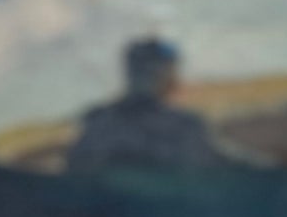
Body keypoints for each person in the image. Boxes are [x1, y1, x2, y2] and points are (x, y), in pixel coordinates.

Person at [68, 37, 227, 172]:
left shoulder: (97, 123)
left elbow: (77, 173)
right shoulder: (185, 127)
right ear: (164, 74)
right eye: (171, 70)